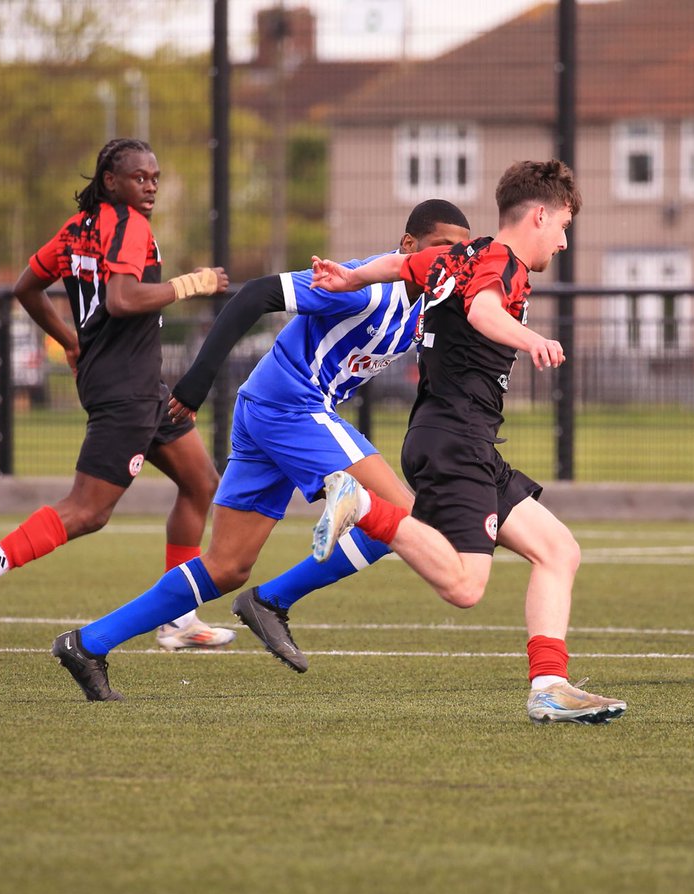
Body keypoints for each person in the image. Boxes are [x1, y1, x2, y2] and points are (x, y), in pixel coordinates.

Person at [50, 199, 472, 699]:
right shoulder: (365, 287)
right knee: (404, 521)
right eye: (443, 246)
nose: (451, 257)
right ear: (408, 246)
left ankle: (88, 643)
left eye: (460, 252)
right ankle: (272, 601)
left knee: (227, 566)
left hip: (266, 410)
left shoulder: (430, 302)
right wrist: (198, 379)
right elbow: (255, 295)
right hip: (292, 407)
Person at [305, 159, 627, 725]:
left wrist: (351, 277)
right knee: (465, 586)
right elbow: (481, 312)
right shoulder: (502, 262)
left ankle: (549, 686)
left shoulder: (462, 254)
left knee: (558, 551)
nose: (566, 240)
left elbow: (402, 263)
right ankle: (364, 507)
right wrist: (532, 340)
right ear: (541, 214)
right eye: (564, 224)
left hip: (457, 439)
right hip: (456, 441)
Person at [0, 138, 235, 654]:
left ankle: (179, 618)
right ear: (110, 181)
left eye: (155, 178)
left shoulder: (79, 228)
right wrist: (194, 283)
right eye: (140, 177)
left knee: (199, 480)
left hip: (134, 382)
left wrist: (70, 340)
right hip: (125, 388)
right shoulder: (127, 225)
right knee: (88, 511)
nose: (151, 186)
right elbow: (121, 300)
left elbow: (26, 287)